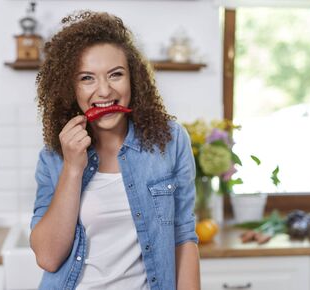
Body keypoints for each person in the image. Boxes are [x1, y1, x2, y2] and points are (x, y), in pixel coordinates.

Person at [30, 11, 201, 290]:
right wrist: (73, 168)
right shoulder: (53, 157)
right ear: (69, 88)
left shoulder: (170, 141)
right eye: (87, 78)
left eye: (116, 75)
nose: (104, 91)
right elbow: (48, 257)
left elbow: (183, 237)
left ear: (133, 79)